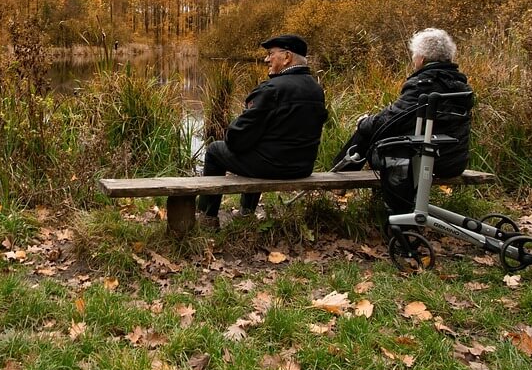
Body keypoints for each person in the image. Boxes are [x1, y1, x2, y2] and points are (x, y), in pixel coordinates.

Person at [330, 28, 473, 209]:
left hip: (424, 160)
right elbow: (403, 118)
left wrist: (364, 122)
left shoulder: (423, 84)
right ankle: (344, 183)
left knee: (367, 130)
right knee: (374, 128)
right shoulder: (461, 85)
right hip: (454, 160)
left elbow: (391, 120)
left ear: (421, 58)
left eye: (414, 54)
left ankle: (338, 180)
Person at [197, 34, 328, 225]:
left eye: (270, 54)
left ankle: (207, 217)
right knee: (259, 145)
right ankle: (245, 213)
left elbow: (236, 138)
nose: (266, 59)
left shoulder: (272, 89)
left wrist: (234, 133)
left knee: (215, 150)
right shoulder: (316, 89)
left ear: (287, 57)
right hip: (302, 167)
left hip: (273, 167)